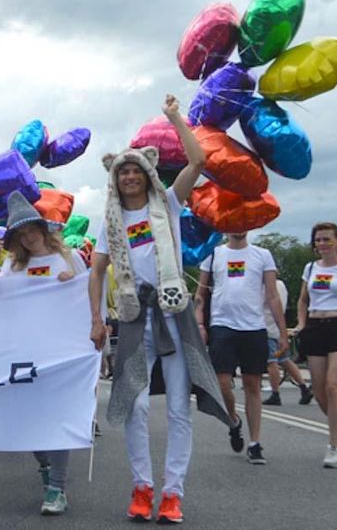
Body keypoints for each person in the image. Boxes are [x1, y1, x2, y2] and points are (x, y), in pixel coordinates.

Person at [88, 95, 229, 524]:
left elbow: (199, 160)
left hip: (175, 315)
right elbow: (96, 273)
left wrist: (174, 118)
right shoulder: (108, 222)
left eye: (135, 169)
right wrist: (96, 319)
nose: (129, 175)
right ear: (115, 179)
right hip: (133, 318)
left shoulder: (167, 203)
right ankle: (141, 486)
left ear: (147, 174)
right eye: (122, 171)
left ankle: (172, 493)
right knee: (136, 404)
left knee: (178, 409)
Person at [0, 191, 87, 516]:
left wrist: (75, 281)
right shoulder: (13, 265)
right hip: (24, 352)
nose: (28, 237)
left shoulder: (71, 259)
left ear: (42, 228)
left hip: (61, 354)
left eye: (31, 229)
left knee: (57, 419)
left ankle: (57, 488)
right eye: (21, 233)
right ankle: (45, 465)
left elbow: (90, 297)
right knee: (27, 420)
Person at [195, 232, 288, 465]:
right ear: (227, 226)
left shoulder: (262, 255)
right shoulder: (214, 254)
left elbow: (273, 295)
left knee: (252, 385)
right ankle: (234, 421)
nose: (239, 227)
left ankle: (255, 443)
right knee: (223, 383)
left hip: (254, 327)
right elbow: (200, 294)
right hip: (222, 325)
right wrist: (199, 324)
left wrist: (283, 332)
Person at [294, 222, 337, 469]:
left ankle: (334, 446)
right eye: (318, 240)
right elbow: (303, 300)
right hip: (315, 327)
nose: (322, 244)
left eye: (327, 239)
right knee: (319, 391)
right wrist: (301, 324)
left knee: (334, 386)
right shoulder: (310, 267)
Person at [262, 279, 313, 407]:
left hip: (266, 326)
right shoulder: (281, 285)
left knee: (271, 361)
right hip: (279, 328)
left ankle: (275, 393)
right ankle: (303, 388)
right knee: (285, 360)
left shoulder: (266, 286)